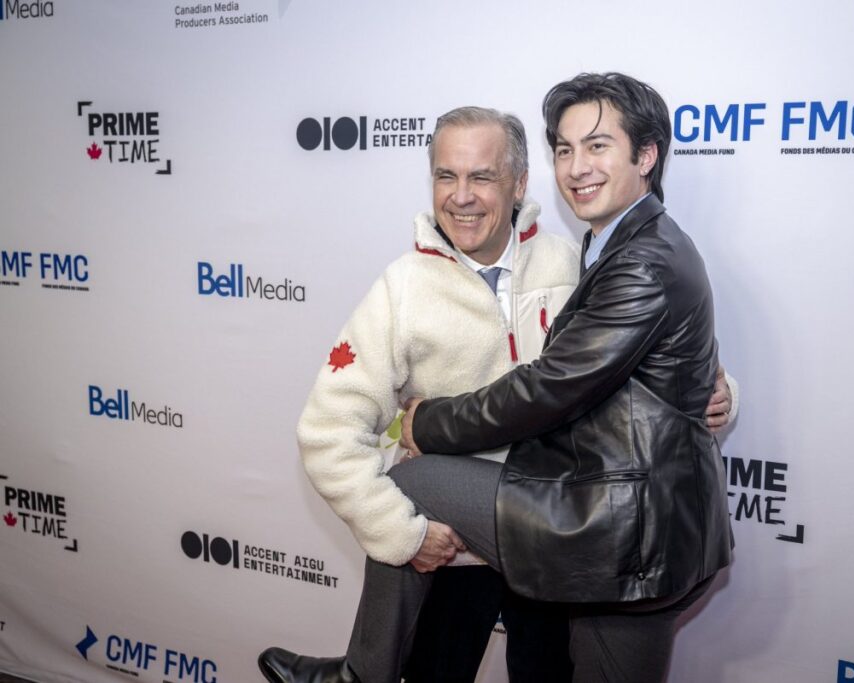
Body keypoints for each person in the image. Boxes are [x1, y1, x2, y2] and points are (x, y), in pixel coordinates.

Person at [259, 83, 735, 683]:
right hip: (460, 543)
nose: (461, 198)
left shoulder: (574, 260)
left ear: (518, 183)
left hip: (568, 522)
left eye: (482, 176)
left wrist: (716, 395)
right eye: (445, 176)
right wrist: (403, 535)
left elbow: (610, 366)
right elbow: (328, 432)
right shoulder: (404, 287)